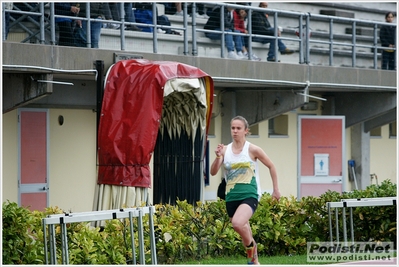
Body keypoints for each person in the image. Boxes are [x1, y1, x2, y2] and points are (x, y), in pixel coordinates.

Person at [210, 115, 281, 265]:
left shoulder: (253, 149)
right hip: (231, 196)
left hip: (250, 194)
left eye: (238, 128)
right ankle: (254, 260)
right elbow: (213, 172)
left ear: (246, 131)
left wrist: (276, 189)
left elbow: (271, 166)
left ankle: (252, 250)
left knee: (237, 223)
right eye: (233, 128)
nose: (235, 131)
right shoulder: (224, 150)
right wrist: (217, 157)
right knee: (243, 230)